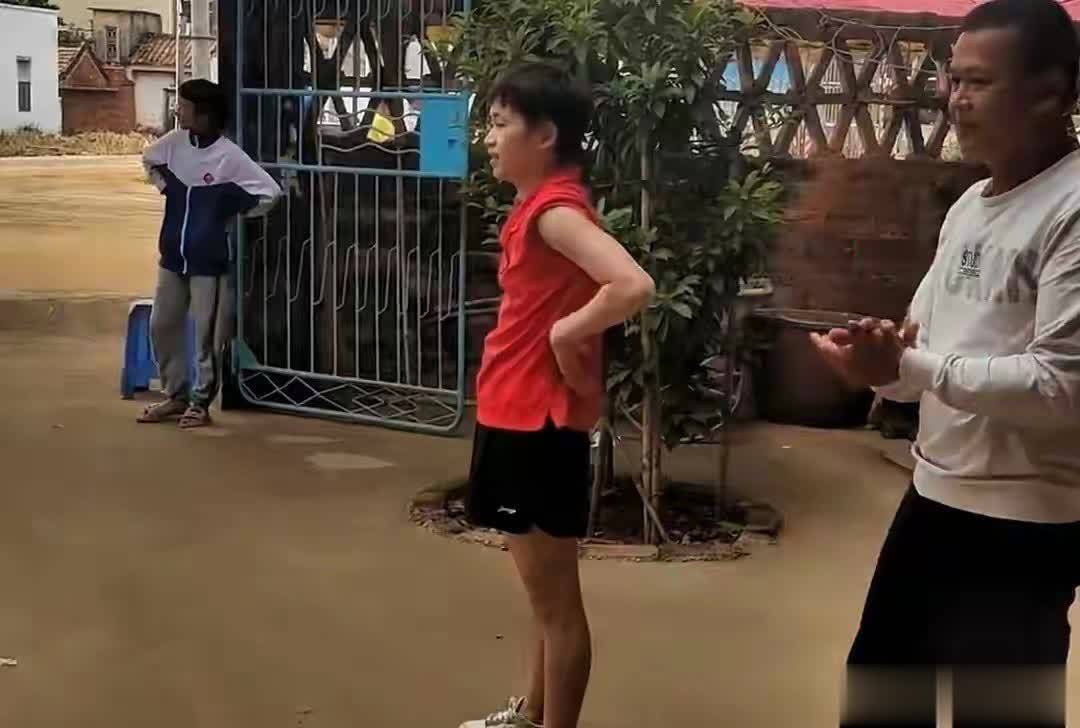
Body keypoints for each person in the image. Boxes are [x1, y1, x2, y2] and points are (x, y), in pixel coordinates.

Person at [811, 1, 1080, 725]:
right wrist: (876, 368)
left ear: (1051, 93)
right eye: (953, 79)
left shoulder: (1072, 207)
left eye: (978, 82)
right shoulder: (969, 206)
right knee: (881, 700)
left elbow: (1062, 387)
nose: (955, 99)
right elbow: (916, 358)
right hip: (934, 501)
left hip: (1026, 523)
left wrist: (915, 368)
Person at [459, 63, 655, 728]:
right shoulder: (538, 206)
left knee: (558, 607)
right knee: (542, 598)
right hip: (517, 413)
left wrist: (567, 333)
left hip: (535, 423)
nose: (488, 138)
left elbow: (632, 284)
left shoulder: (556, 214)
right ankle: (531, 714)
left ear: (543, 135)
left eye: (499, 124)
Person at [137, 79, 281, 429]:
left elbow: (270, 192)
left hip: (209, 262)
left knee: (206, 336)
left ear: (204, 114)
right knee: (162, 325)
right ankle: (176, 395)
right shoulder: (173, 144)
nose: (178, 111)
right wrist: (167, 188)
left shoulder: (230, 157)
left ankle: (200, 403)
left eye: (184, 106)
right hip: (173, 256)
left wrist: (226, 211)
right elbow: (149, 159)